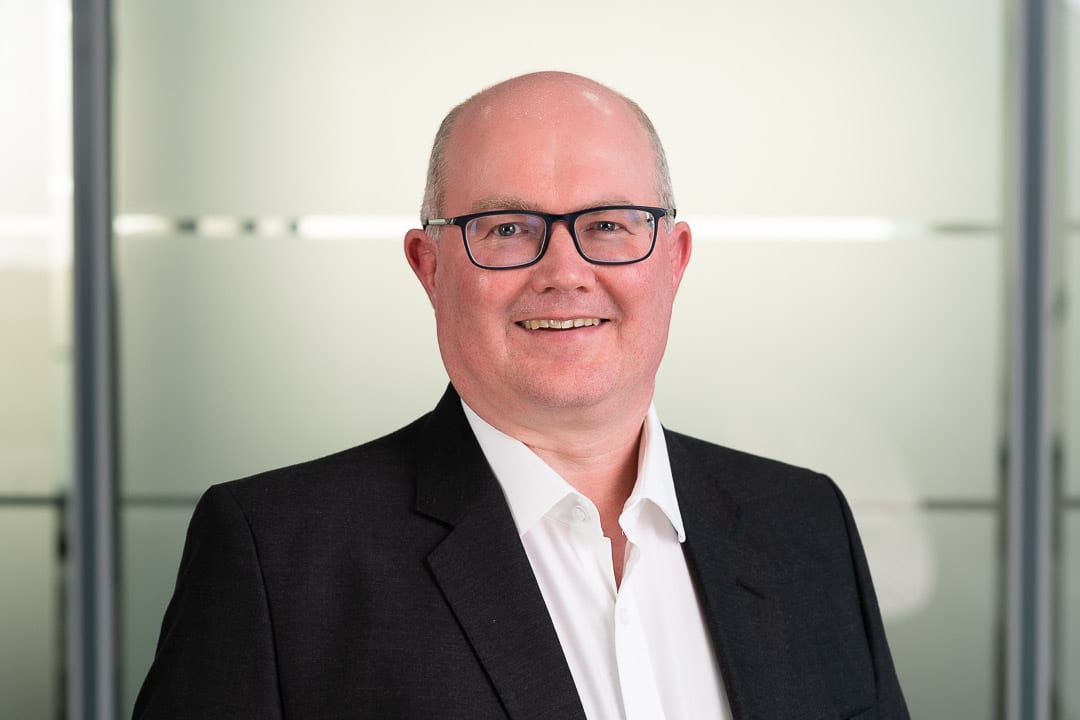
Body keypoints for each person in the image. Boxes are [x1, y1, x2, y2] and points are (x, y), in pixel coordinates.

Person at [133, 71, 909, 719]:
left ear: (674, 260)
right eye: (506, 228)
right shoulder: (279, 560)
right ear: (429, 266)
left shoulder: (806, 527)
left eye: (608, 224)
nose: (565, 272)